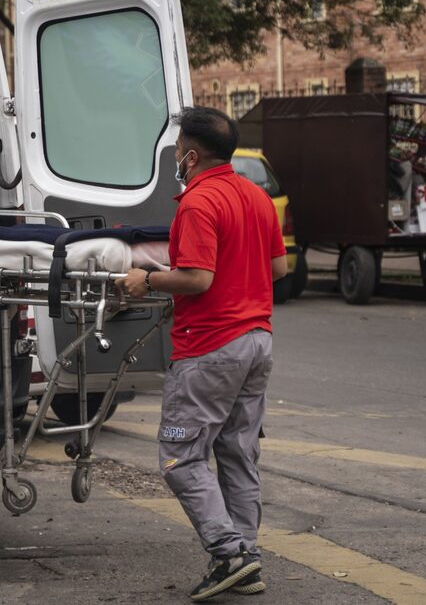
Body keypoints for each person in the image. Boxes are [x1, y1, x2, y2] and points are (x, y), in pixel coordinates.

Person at [117, 106, 287, 602]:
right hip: (257, 341)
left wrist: (144, 279)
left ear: (190, 155)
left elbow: (197, 278)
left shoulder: (198, 202)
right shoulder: (256, 197)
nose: (175, 157)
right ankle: (245, 556)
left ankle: (228, 553)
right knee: (237, 452)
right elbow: (276, 268)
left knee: (181, 457)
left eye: (176, 150)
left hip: (211, 347)